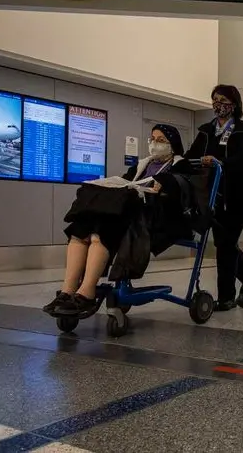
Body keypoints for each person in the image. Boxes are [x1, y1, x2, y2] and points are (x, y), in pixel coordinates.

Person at [44, 125, 189, 316]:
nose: (155, 144)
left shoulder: (181, 165)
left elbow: (181, 191)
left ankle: (87, 293)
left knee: (100, 233)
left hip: (151, 217)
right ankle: (67, 291)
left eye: (161, 140)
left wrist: (164, 184)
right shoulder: (141, 165)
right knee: (79, 230)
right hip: (126, 212)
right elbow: (124, 185)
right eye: (152, 139)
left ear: (173, 145)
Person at [185, 85, 243, 311]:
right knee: (224, 243)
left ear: (234, 104)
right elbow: (190, 156)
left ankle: (226, 297)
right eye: (215, 99)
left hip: (238, 196)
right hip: (213, 195)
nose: (218, 104)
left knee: (225, 243)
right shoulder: (206, 131)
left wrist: (219, 162)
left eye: (223, 100)